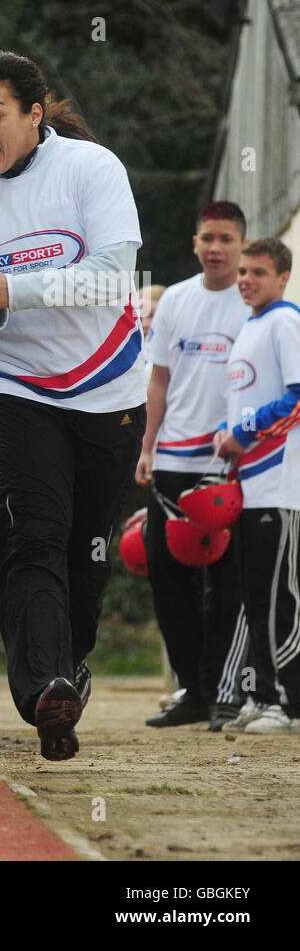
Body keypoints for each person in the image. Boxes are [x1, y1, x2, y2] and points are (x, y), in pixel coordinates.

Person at [0, 49, 145, 761]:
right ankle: (44, 688)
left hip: (109, 387)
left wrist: (12, 291)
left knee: (87, 550)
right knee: (32, 537)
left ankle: (70, 664)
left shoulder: (91, 169)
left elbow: (114, 278)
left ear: (33, 112)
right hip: (14, 383)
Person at [136, 202, 251, 731]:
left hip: (229, 462)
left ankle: (223, 689)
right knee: (166, 576)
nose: (216, 248)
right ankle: (191, 689)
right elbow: (158, 380)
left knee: (226, 583)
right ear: (195, 242)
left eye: (226, 238)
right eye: (208, 237)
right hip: (173, 459)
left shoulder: (255, 303)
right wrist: (147, 447)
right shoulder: (177, 299)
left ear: (242, 245)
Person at [213, 238, 300, 734]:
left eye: (258, 272)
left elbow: (298, 397)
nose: (246, 279)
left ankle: (284, 703)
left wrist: (242, 435)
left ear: (282, 277)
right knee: (253, 598)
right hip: (249, 489)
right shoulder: (249, 327)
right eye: (243, 271)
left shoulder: (286, 321)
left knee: (277, 599)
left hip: (281, 486)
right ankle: (260, 693)